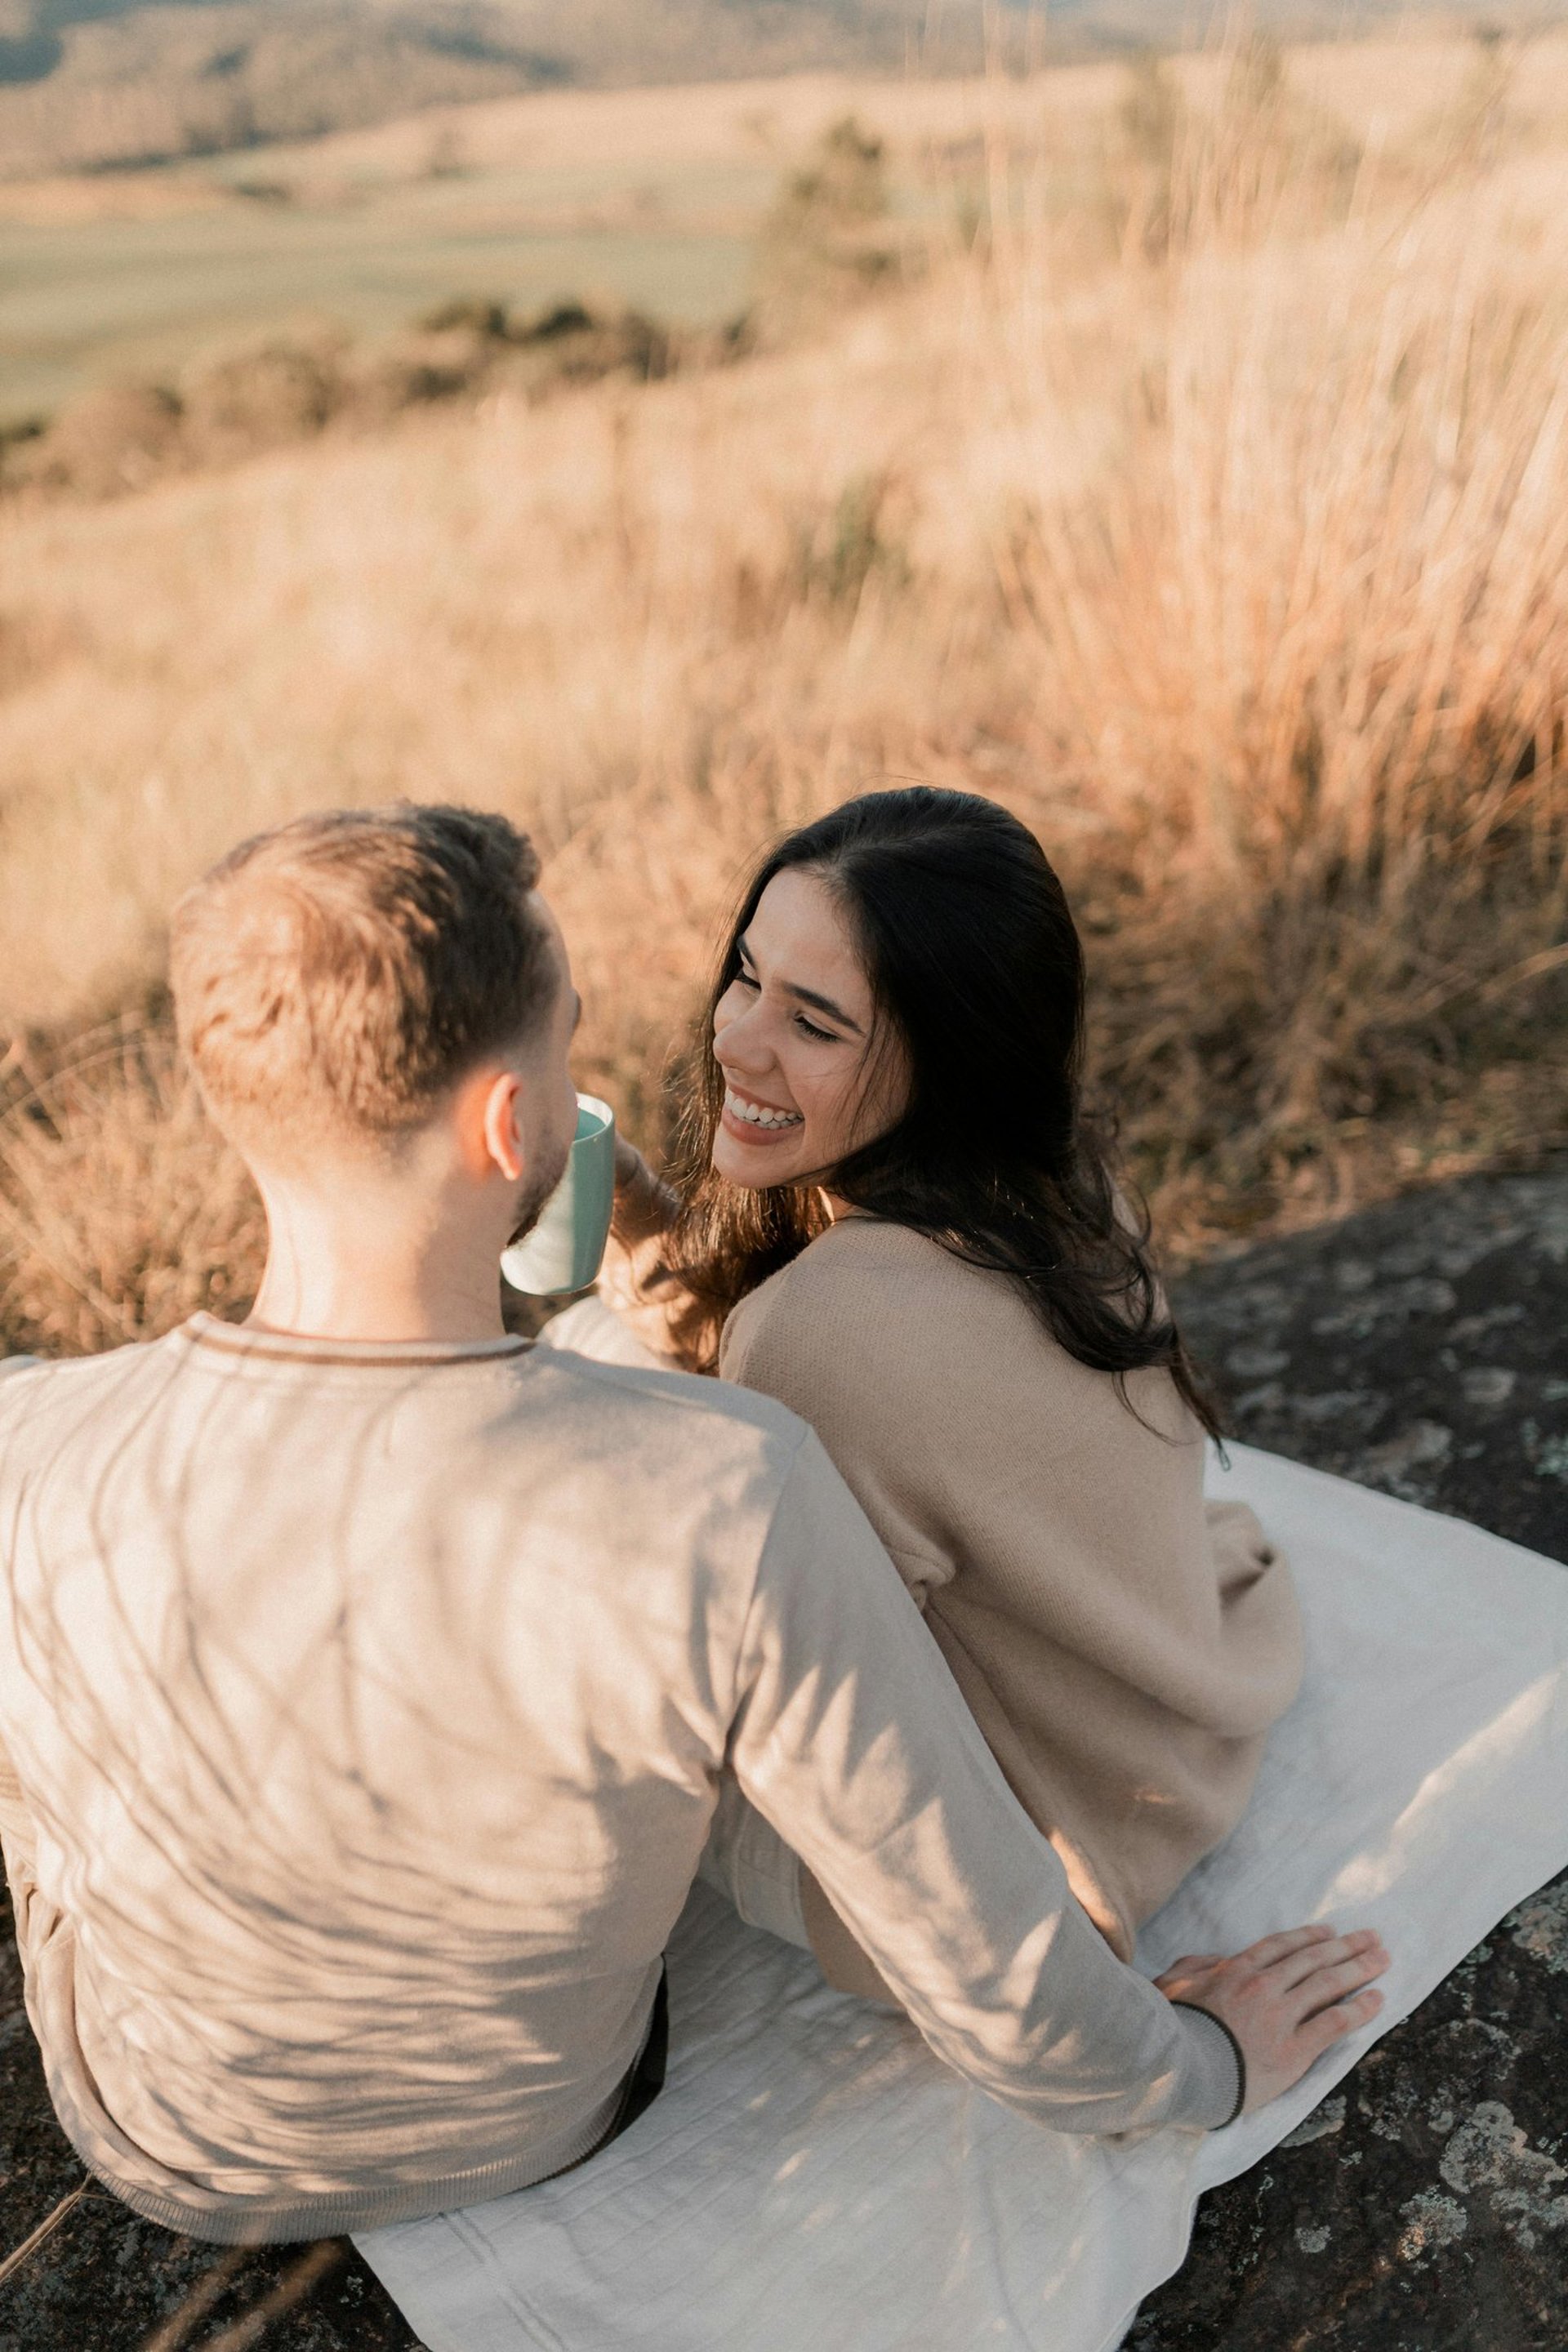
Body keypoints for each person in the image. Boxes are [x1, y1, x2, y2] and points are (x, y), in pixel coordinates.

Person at [0, 803, 1384, 2250]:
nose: (724, 1039)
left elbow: (41, 1809)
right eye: (568, 1034)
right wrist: (1203, 2068)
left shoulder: (28, 1438)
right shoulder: (727, 1491)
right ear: (512, 1124)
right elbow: (983, 1951)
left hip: (154, 2143)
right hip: (535, 2119)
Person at [593, 787, 1303, 1999]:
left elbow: (829, 1731)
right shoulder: (1059, 1182)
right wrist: (615, 1195)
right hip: (1174, 1731)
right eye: (748, 976)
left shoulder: (810, 1333)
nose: (739, 1040)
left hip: (1039, 1860)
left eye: (815, 1024)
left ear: (948, 1058)